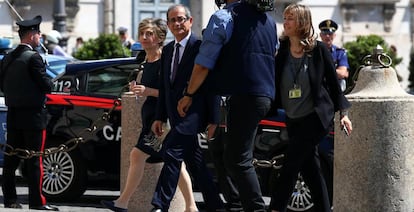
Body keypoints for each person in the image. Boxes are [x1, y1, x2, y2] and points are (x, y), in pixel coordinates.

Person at [177, 0, 278, 211]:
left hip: (243, 94)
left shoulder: (224, 17)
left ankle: (256, 209)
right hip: (264, 94)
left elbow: (203, 64)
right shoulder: (268, 20)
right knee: (237, 157)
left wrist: (189, 94)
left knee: (236, 159)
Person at [100, 17, 198, 212]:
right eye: (142, 33)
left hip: (163, 120)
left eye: (149, 34)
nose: (144, 37)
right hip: (150, 119)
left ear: (159, 37)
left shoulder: (166, 61)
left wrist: (148, 91)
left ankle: (122, 202)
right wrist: (136, 88)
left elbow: (174, 94)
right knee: (175, 163)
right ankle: (191, 206)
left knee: (137, 155)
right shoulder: (144, 60)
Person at [268, 4, 353, 212]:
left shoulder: (318, 50)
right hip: (293, 118)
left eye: (290, 18)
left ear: (302, 23)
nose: (285, 21)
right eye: (285, 17)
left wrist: (344, 114)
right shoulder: (282, 52)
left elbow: (334, 84)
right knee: (311, 171)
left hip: (315, 118)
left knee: (290, 165)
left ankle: (275, 209)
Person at [150, 4, 224, 212]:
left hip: (194, 113)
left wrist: (214, 118)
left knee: (172, 152)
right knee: (196, 163)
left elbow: (212, 85)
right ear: (168, 24)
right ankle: (216, 206)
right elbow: (164, 88)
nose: (177, 24)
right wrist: (159, 117)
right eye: (173, 20)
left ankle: (159, 205)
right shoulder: (167, 51)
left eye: (181, 19)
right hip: (175, 116)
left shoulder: (200, 47)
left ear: (190, 21)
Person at [0, 15, 59, 211]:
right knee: (35, 160)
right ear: (32, 35)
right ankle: (37, 202)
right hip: (33, 117)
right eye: (39, 34)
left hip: (13, 114)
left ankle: (10, 199)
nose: (40, 37)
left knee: (11, 160)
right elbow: (47, 86)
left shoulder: (8, 57)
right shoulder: (33, 58)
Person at [319, 19, 349, 92]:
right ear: (320, 35)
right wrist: (335, 72)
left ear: (334, 35)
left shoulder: (340, 52)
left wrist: (321, 71)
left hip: (335, 89)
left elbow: (342, 73)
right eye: (325, 33)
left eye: (330, 33)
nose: (327, 36)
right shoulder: (314, 51)